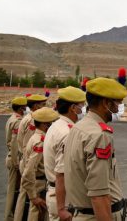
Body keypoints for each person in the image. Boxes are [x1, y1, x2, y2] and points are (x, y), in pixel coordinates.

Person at [64, 77, 127, 220]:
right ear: (106, 103)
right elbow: (99, 195)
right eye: (117, 103)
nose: (119, 108)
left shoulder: (79, 127)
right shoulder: (98, 136)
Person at [43, 86, 86, 221]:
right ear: (73, 108)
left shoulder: (56, 125)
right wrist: (62, 208)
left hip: (57, 193)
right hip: (63, 198)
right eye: (82, 106)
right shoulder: (67, 133)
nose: (84, 110)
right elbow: (61, 173)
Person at [14, 107, 59, 221]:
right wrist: (33, 196)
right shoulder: (40, 141)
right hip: (39, 186)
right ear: (45, 125)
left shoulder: (36, 137)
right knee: (36, 216)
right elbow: (29, 170)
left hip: (39, 185)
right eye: (51, 123)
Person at [15, 93, 48, 219]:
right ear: (36, 106)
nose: (45, 108)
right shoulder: (32, 121)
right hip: (31, 163)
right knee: (28, 199)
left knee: (24, 197)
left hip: (28, 161)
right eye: (43, 105)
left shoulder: (29, 117)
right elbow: (31, 144)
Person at [4, 97, 27, 221]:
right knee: (13, 191)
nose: (26, 109)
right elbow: (14, 144)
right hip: (14, 159)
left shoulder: (12, 118)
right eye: (25, 107)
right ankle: (10, 217)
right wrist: (16, 163)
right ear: (21, 108)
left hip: (12, 158)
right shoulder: (18, 121)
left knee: (14, 190)